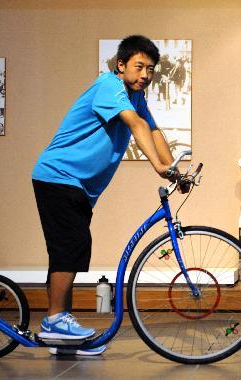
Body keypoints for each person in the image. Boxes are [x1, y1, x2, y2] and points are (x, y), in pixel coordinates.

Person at [31, 35, 176, 356]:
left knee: (68, 249)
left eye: (151, 70)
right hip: (59, 176)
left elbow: (153, 130)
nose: (145, 76)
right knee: (72, 245)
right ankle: (54, 320)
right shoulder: (108, 86)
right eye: (139, 67)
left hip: (78, 186)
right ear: (121, 65)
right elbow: (135, 125)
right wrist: (160, 167)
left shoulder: (135, 97)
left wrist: (175, 168)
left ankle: (63, 338)